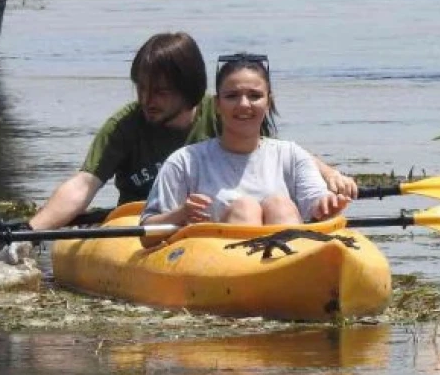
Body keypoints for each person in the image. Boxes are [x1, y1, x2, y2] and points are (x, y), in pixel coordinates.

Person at [26, 32, 356, 231]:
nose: (147, 100)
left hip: (225, 220)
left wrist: (328, 175)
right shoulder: (128, 126)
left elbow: (273, 152)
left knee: (273, 206)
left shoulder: (228, 110)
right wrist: (32, 231)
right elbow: (84, 184)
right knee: (244, 209)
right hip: (151, 221)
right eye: (141, 89)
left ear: (190, 92)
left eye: (160, 92)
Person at [139, 53, 351, 246]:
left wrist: (326, 205)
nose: (243, 104)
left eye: (254, 96)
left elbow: (315, 199)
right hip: (219, 265)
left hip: (290, 260)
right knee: (244, 209)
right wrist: (182, 214)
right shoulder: (184, 161)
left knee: (280, 205)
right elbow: (146, 235)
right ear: (217, 105)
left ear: (269, 101)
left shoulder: (291, 155)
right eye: (232, 96)